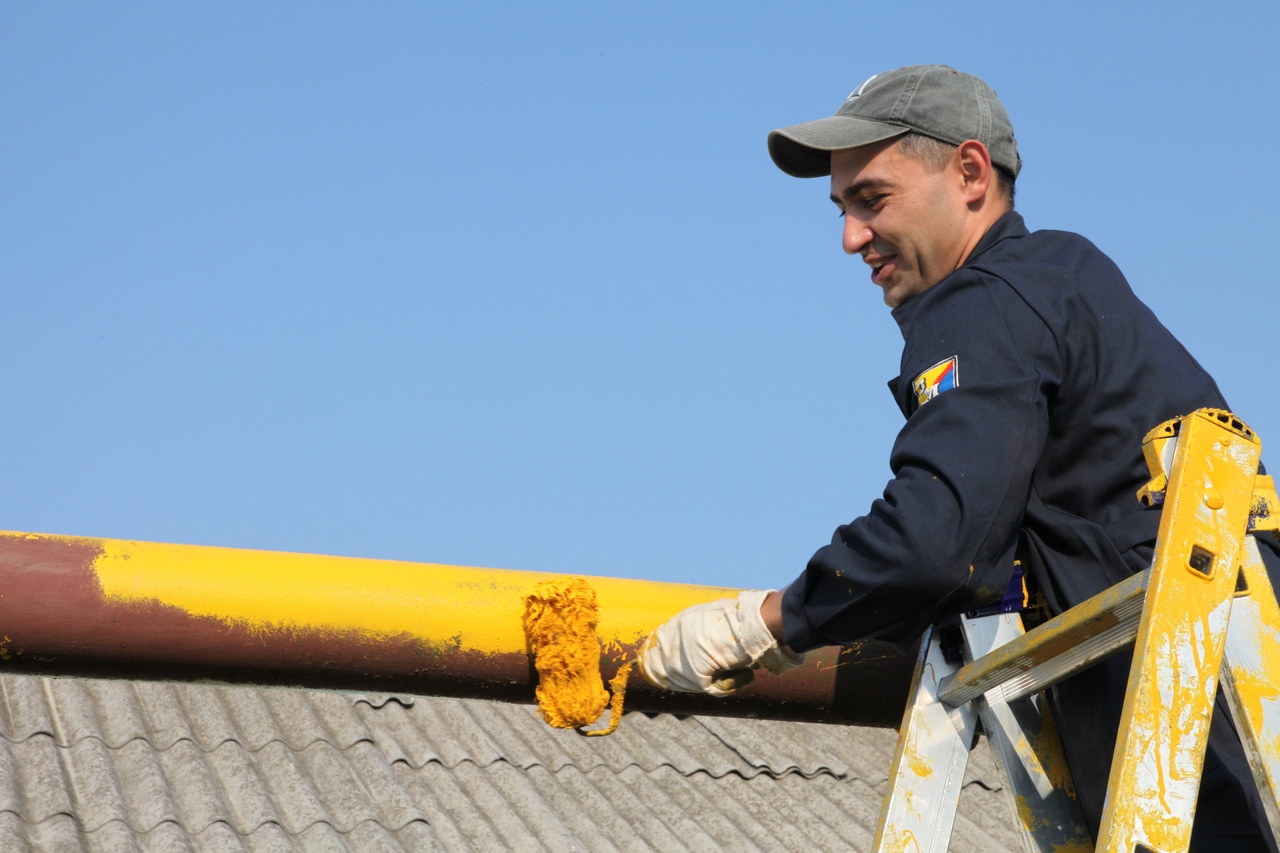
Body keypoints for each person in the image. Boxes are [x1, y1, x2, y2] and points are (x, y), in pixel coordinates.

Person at [637, 64, 1280, 850]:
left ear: (970, 173)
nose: (849, 238)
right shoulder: (1065, 276)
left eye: (872, 199)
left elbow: (934, 539)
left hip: (1201, 757)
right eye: (841, 209)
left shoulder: (984, 300)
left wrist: (764, 624)